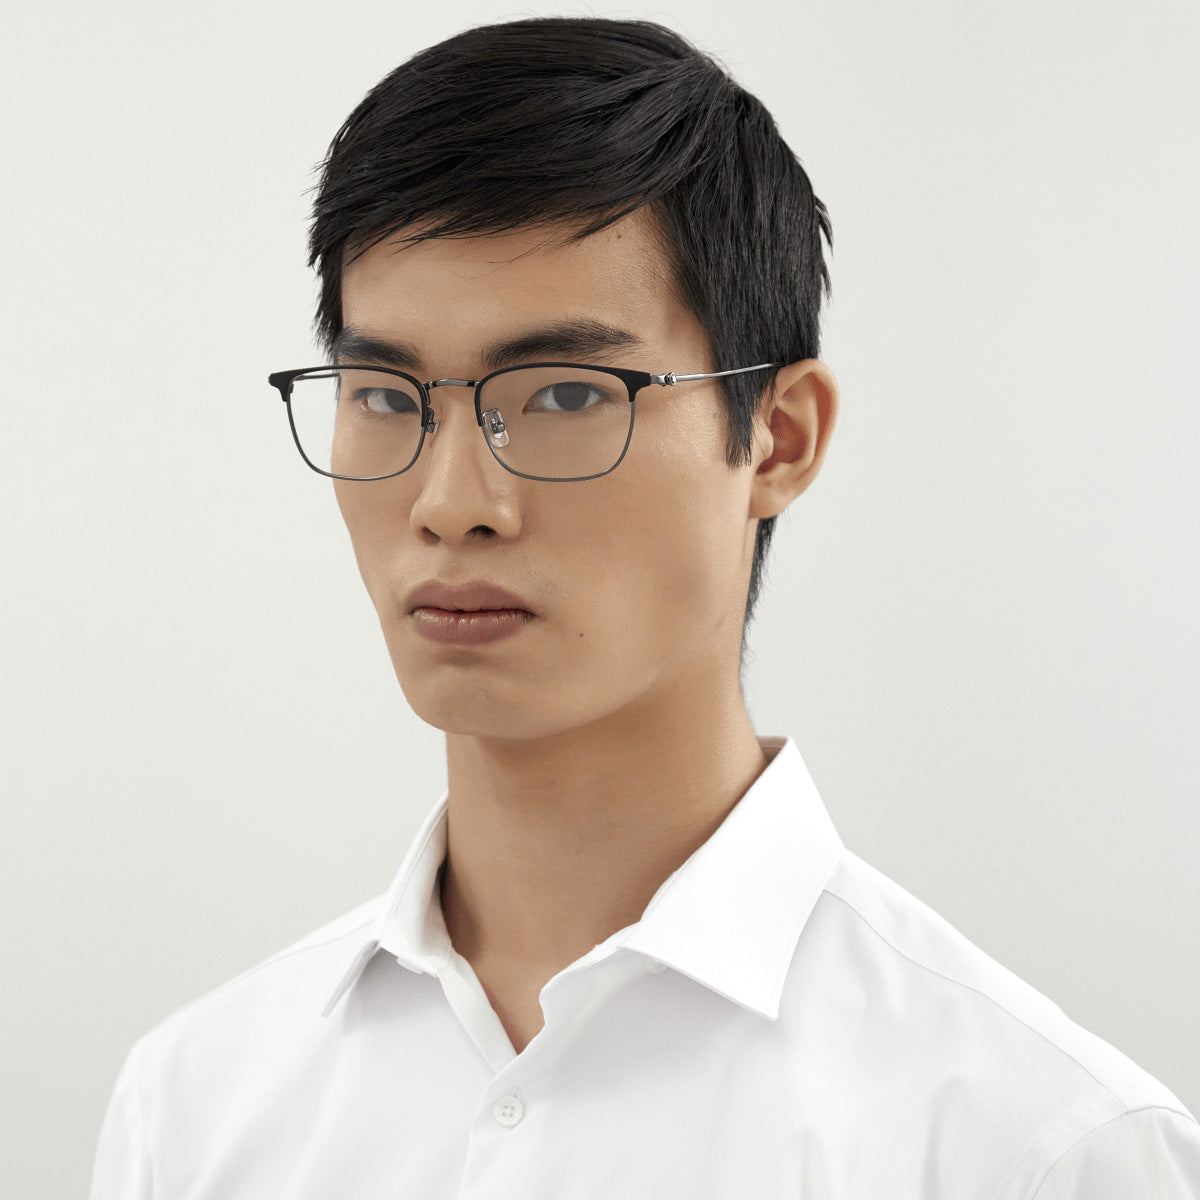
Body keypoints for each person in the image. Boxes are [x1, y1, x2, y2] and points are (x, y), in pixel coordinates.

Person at [89, 16, 1200, 1198]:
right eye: (386, 395)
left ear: (778, 438)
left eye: (566, 394)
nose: (451, 503)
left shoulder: (1034, 1144)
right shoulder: (196, 1106)